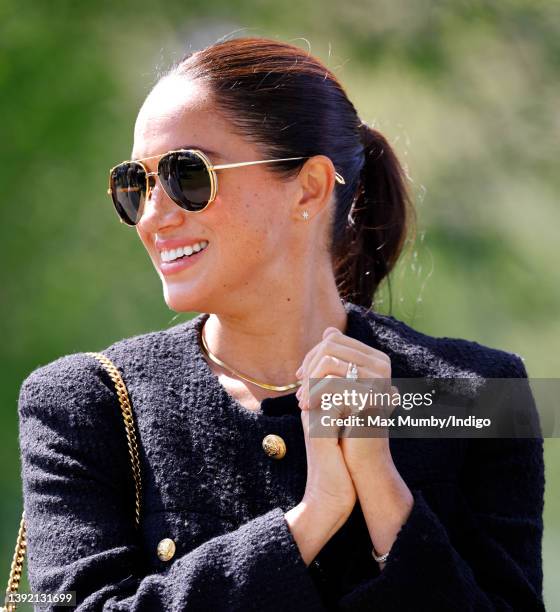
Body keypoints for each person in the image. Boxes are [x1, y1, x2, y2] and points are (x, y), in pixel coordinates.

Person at [17, 37, 545, 611]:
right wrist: (310, 519)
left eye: (185, 175)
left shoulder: (483, 394)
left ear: (309, 188)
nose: (152, 215)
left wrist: (385, 493)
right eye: (134, 185)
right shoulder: (81, 404)